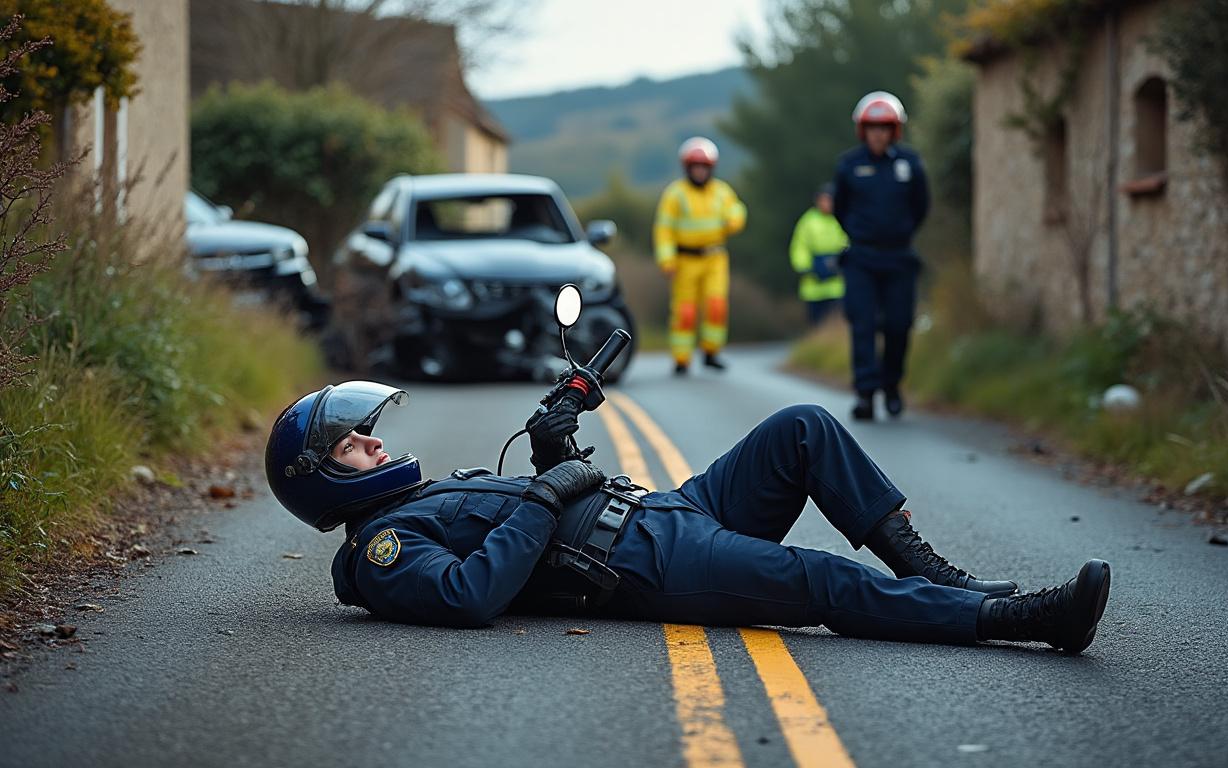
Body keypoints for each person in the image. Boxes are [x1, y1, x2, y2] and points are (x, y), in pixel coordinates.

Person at [266, 380, 1112, 653]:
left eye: (366, 435)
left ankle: (937, 575)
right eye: (352, 447)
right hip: (649, 565)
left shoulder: (418, 498)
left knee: (802, 427)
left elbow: (530, 524)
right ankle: (1020, 620)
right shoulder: (383, 548)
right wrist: (548, 493)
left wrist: (553, 447)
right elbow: (470, 593)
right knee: (819, 579)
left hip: (667, 509)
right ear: (322, 481)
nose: (375, 444)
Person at [832, 91, 929, 420]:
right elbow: (840, 209)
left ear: (894, 130)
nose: (878, 134)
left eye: (884, 127)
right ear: (863, 130)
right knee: (862, 324)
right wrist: (862, 235)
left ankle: (892, 386)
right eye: (873, 128)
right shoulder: (848, 165)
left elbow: (921, 206)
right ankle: (865, 393)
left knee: (898, 325)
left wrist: (899, 233)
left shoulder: (910, 164)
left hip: (899, 258)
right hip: (861, 259)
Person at [653, 137, 748, 375]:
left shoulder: (721, 191)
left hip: (715, 259)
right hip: (685, 261)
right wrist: (666, 259)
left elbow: (737, 209)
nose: (699, 171)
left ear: (711, 168)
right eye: (695, 167)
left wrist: (735, 220)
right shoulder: (675, 194)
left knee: (716, 306)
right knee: (685, 312)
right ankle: (681, 359)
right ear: (687, 168)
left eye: (703, 167)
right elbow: (664, 229)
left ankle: (711, 352)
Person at [788, 183, 848, 326]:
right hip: (814, 287)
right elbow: (799, 246)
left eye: (829, 200)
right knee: (817, 325)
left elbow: (850, 243)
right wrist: (807, 267)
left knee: (839, 322)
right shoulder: (808, 221)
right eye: (823, 200)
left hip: (838, 286)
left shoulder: (843, 217)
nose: (826, 204)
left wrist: (842, 263)